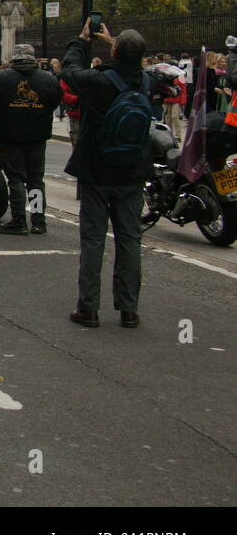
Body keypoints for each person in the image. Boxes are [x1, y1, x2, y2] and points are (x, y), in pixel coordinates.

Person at [61, 20, 152, 329]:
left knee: (93, 240)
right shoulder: (146, 82)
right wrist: (115, 43)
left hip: (98, 169)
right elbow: (129, 65)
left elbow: (70, 72)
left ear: (114, 51)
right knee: (129, 240)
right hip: (132, 171)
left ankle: (88, 308)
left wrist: (82, 40)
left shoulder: (100, 81)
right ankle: (129, 309)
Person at [0, 44, 62, 235]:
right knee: (35, 180)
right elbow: (55, 100)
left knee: (15, 178)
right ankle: (38, 220)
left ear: (14, 57)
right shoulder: (47, 79)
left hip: (10, 134)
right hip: (37, 135)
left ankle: (18, 220)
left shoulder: (0, 77)